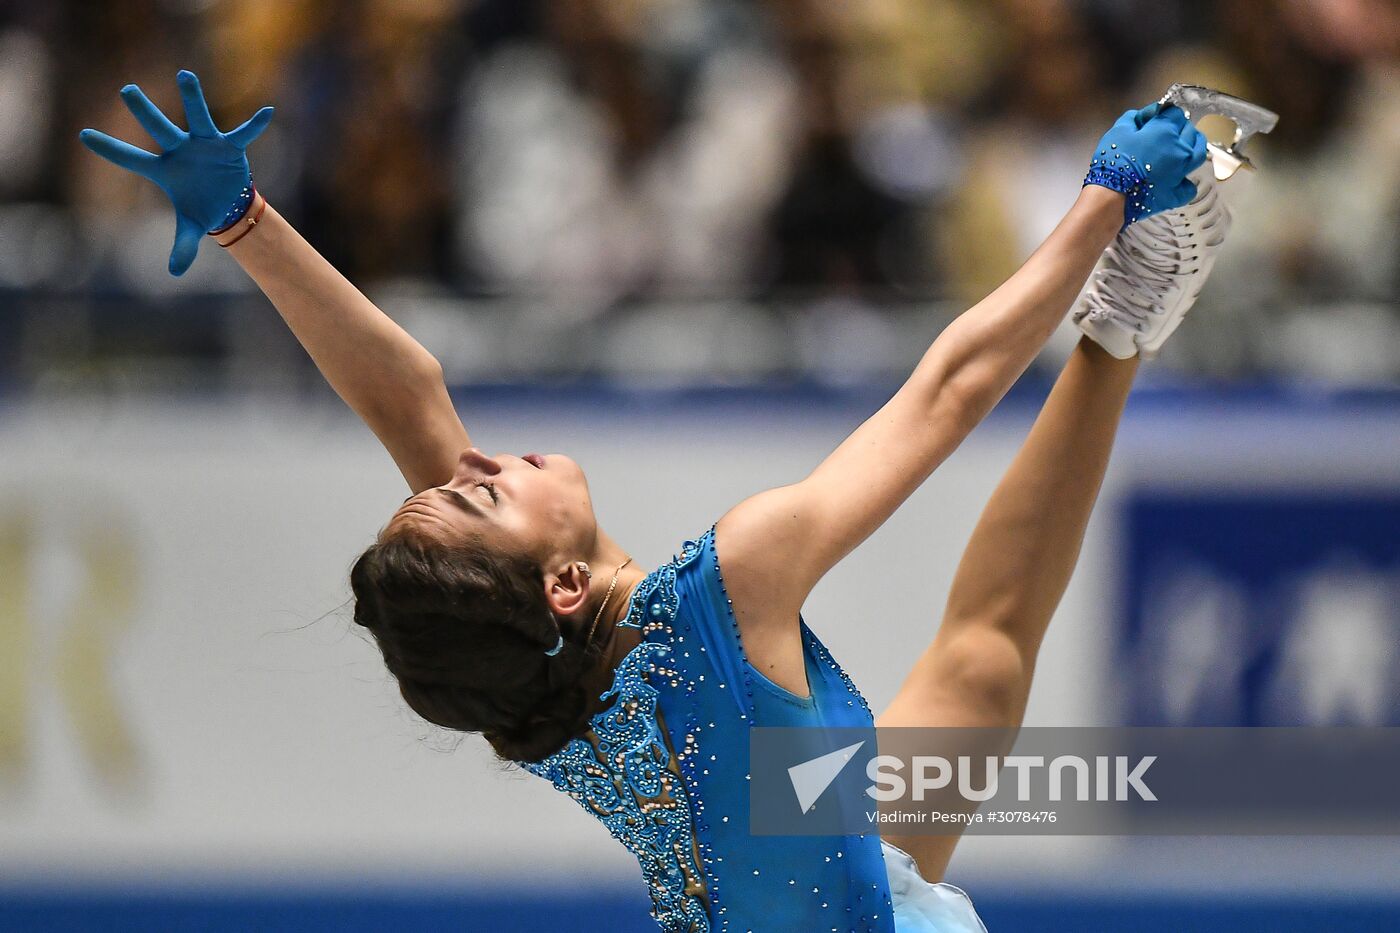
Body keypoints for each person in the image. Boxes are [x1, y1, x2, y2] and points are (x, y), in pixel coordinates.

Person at [80, 71, 1212, 931]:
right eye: (473, 498)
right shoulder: (728, 583)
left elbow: (405, 394)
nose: (470, 466)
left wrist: (248, 226)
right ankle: (1121, 295)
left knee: (974, 662)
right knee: (982, 648)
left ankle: (1122, 323)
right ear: (562, 583)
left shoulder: (537, 688)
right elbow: (951, 388)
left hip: (812, 858)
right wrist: (1099, 200)